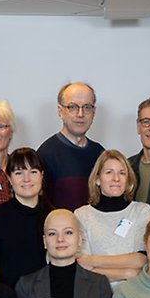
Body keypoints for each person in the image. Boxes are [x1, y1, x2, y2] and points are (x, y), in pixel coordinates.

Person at [75, 150, 150, 287]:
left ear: (128, 180)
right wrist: (128, 273)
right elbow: (82, 266)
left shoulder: (141, 211)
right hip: (96, 294)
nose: (116, 178)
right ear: (98, 179)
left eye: (122, 173)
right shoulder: (82, 215)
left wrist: (93, 261)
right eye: (109, 172)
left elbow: (141, 259)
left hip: (132, 294)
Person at [0, 147, 52, 287]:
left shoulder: (54, 216)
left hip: (46, 296)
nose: (27, 179)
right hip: (7, 297)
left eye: (33, 172)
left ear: (42, 175)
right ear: (9, 177)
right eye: (19, 173)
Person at [37, 82, 105, 210]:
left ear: (94, 112)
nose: (80, 114)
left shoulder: (100, 154)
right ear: (60, 111)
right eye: (72, 107)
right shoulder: (45, 155)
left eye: (87, 107)